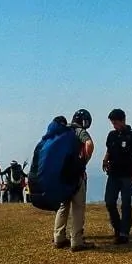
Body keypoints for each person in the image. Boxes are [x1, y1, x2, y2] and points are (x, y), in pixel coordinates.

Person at [53, 108, 96, 252]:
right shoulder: (79, 131)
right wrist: (84, 162)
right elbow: (89, 144)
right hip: (76, 175)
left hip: (62, 176)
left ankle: (59, 237)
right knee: (78, 207)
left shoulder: (63, 131)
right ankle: (76, 241)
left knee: (63, 206)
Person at [102, 108, 132, 244]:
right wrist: (105, 159)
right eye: (113, 123)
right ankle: (117, 228)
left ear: (123, 120)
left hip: (128, 175)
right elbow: (109, 150)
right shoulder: (111, 135)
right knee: (109, 202)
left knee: (126, 203)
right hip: (113, 174)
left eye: (116, 123)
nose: (114, 126)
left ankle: (124, 232)